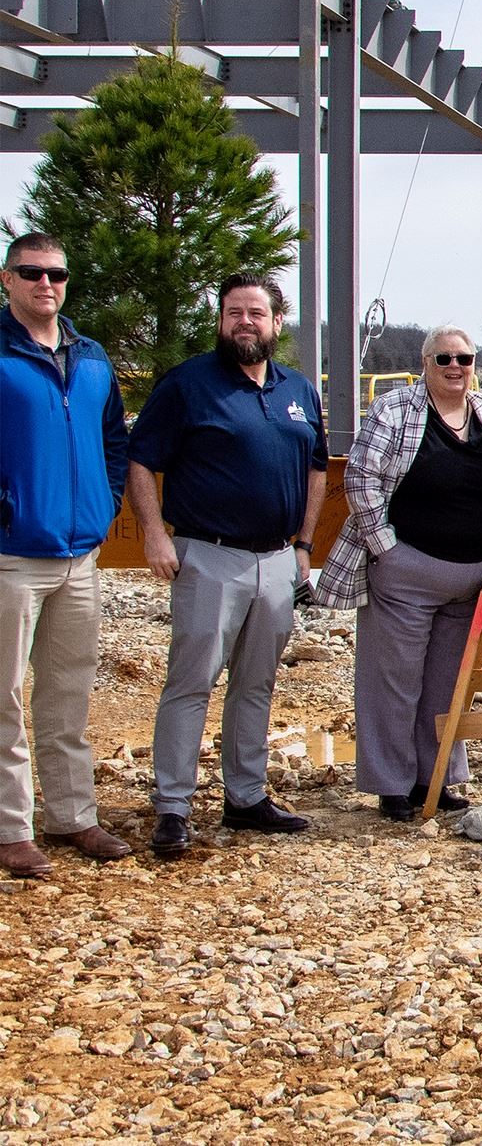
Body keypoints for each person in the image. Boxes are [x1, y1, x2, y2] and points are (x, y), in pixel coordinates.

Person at [128, 274, 330, 857]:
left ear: (275, 323)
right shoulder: (188, 384)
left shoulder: (297, 388)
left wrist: (303, 543)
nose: (246, 321)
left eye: (257, 313)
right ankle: (172, 805)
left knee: (256, 685)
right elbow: (142, 460)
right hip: (208, 554)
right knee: (191, 683)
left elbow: (317, 466)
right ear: (220, 320)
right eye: (234, 312)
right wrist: (152, 534)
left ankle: (245, 797)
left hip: (276, 559)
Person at [317, 327, 482, 821]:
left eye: (465, 358)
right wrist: (386, 549)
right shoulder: (394, 410)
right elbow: (360, 479)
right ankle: (392, 785)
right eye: (445, 357)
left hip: (471, 577)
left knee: (446, 685)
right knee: (394, 682)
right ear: (426, 361)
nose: (456, 366)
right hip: (405, 573)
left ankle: (437, 780)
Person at [0, 233, 132, 878]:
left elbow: (113, 439)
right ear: (7, 279)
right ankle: (9, 828)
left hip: (80, 553)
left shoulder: (92, 357)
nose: (44, 284)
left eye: (55, 273)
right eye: (31, 273)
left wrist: (106, 503)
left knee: (67, 694)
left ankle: (73, 816)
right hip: (12, 553)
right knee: (4, 698)